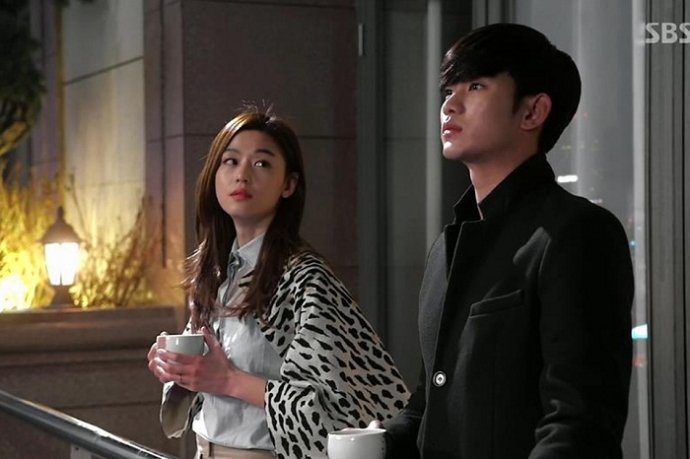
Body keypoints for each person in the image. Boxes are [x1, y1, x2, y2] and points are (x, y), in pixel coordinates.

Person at [380, 23, 634, 458]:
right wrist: (380, 442)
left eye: (475, 86)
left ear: (532, 112)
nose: (450, 105)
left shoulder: (576, 232)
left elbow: (578, 424)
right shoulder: (446, 248)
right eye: (449, 90)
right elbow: (429, 403)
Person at [147, 110, 409, 459]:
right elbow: (204, 384)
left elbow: (335, 409)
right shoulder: (218, 272)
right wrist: (179, 370)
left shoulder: (305, 278)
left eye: (262, 164)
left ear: (289, 185)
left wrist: (228, 380)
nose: (242, 174)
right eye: (230, 161)